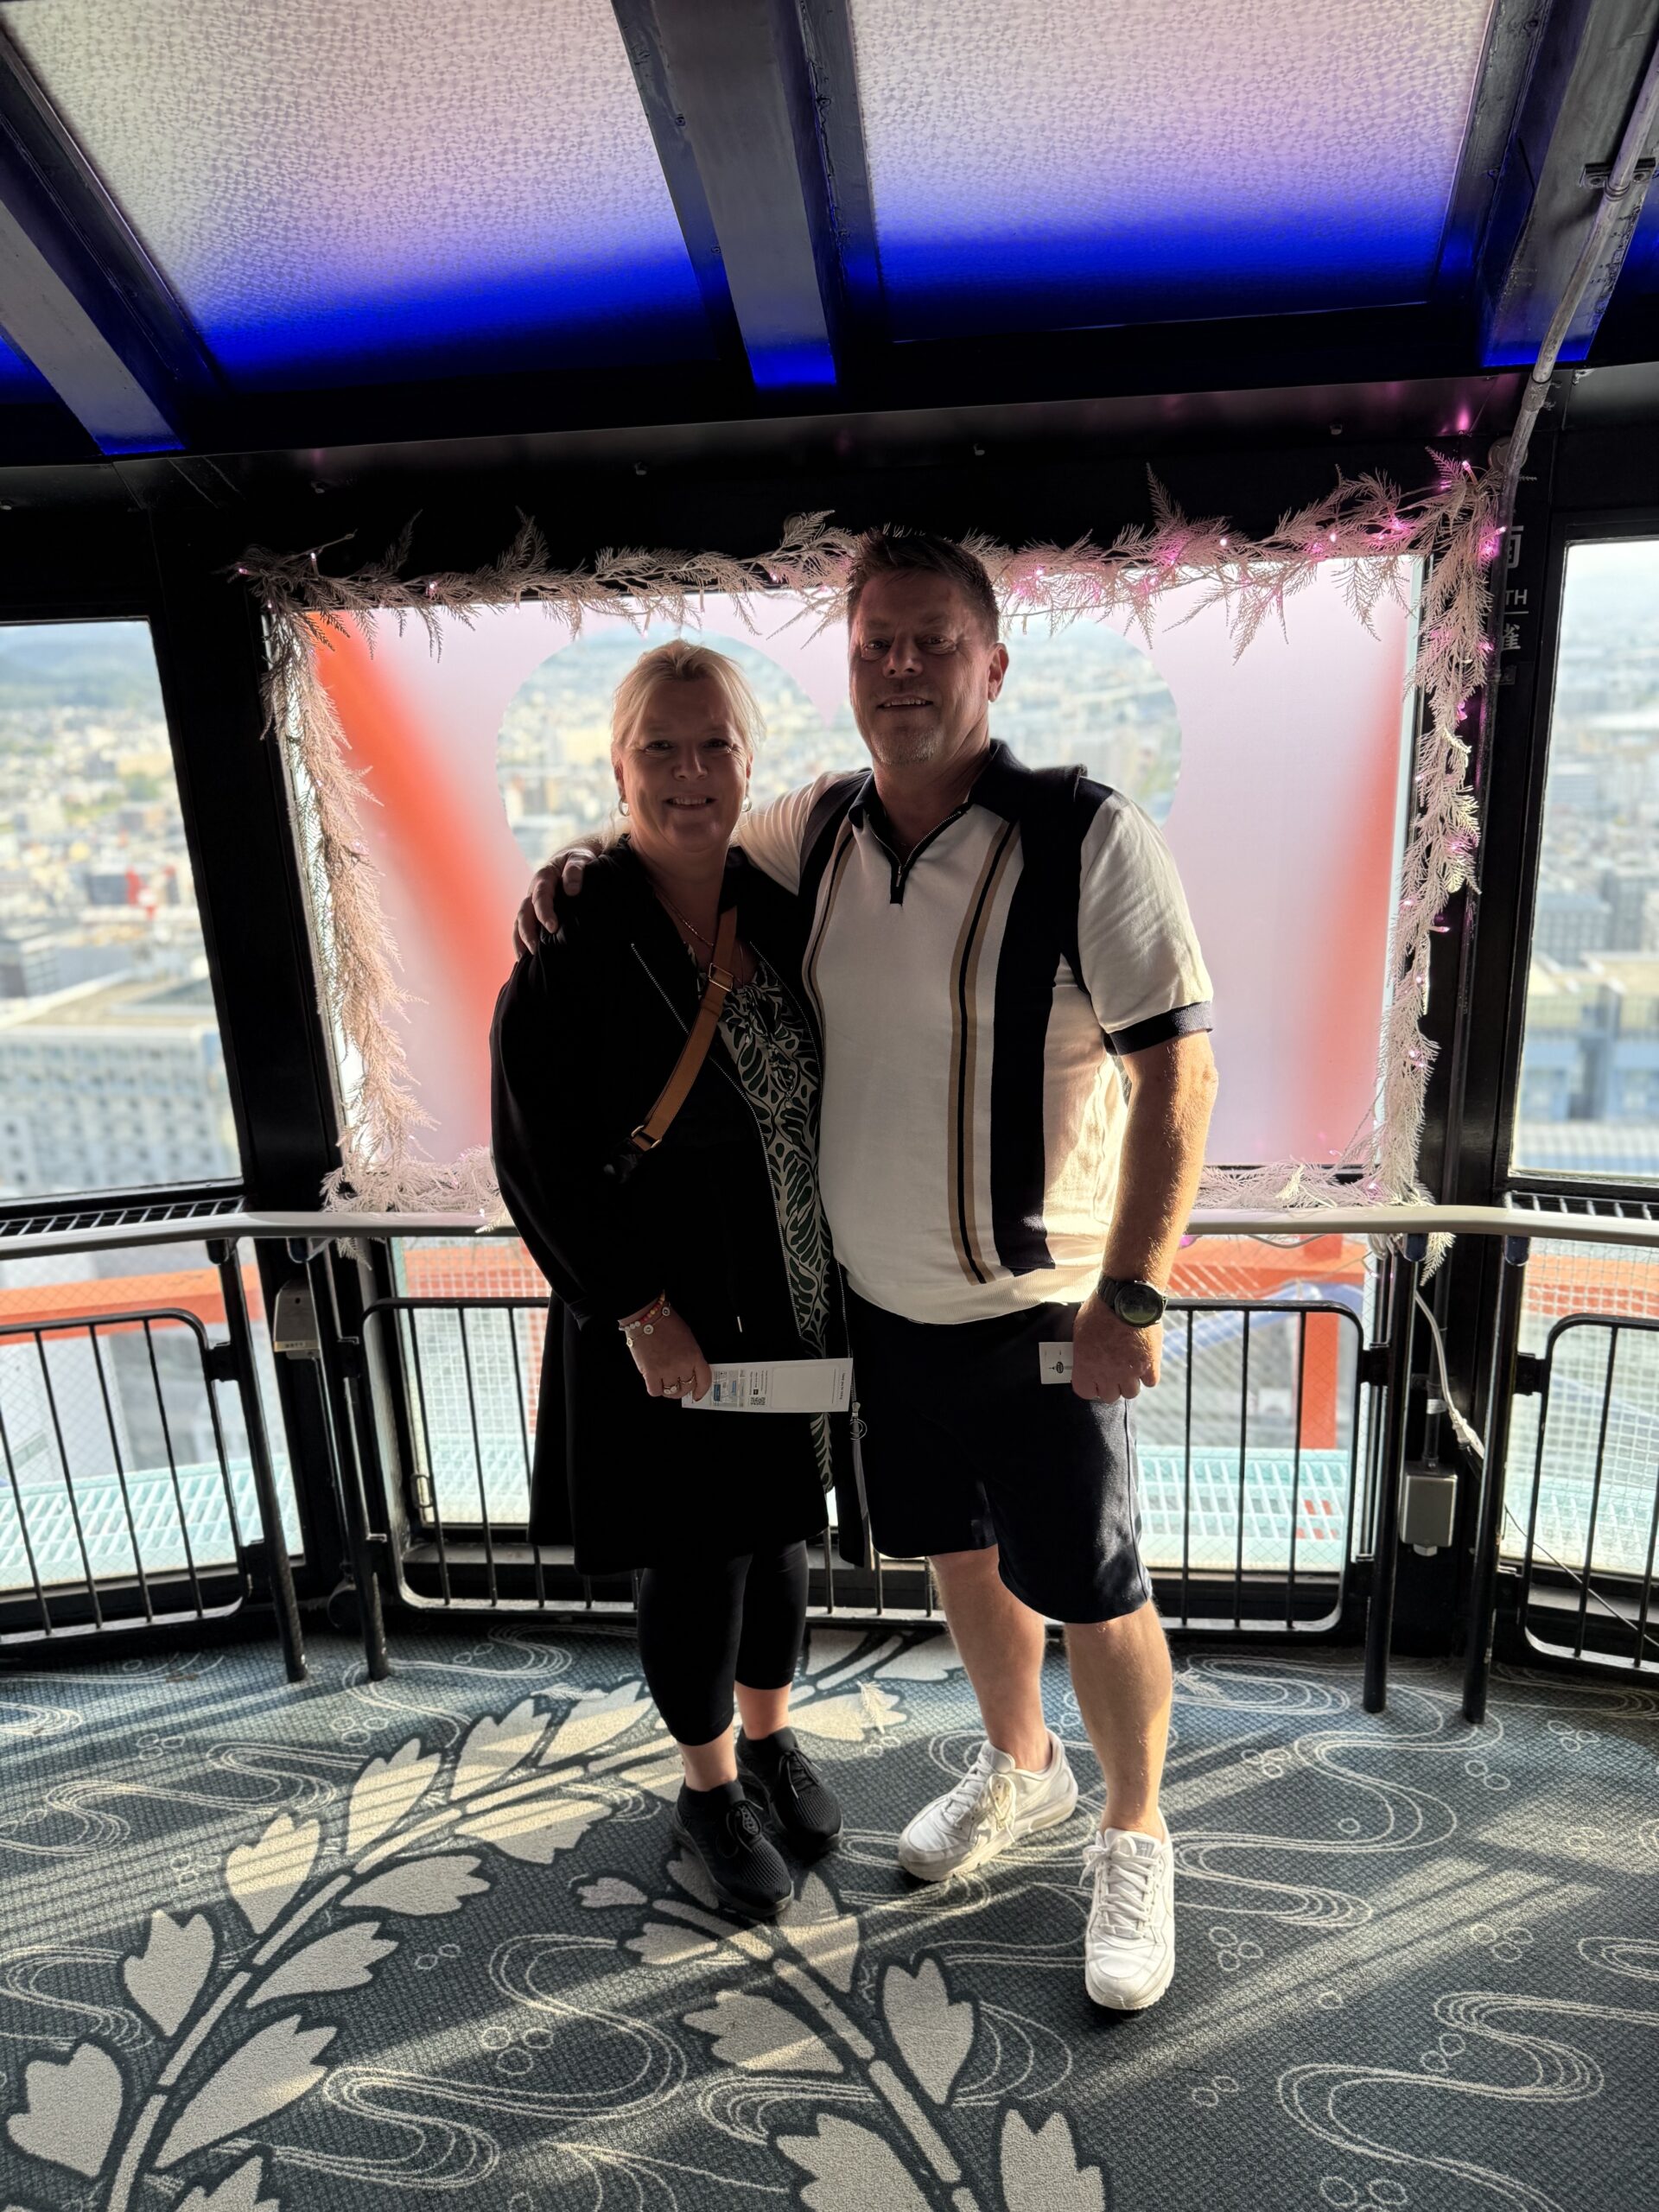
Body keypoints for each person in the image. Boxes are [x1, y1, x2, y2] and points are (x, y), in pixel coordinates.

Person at [519, 531, 1217, 2012]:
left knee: (1096, 1584)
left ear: (992, 664)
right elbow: (678, 835)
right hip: (882, 1316)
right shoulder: (817, 830)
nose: (901, 668)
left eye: (932, 642)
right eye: (874, 645)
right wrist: (575, 863)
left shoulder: (1085, 836)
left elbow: (1183, 1074)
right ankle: (1021, 1764)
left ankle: (1136, 1830)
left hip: (1041, 1307)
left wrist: (1134, 1291)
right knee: (962, 1556)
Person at [490, 639, 862, 1921]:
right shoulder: (576, 938)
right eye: (662, 746)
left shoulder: (784, 906)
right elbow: (535, 1158)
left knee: (782, 1538)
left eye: (716, 745)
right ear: (619, 766)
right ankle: (708, 1789)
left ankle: (769, 1739)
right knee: (695, 1562)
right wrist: (640, 1312)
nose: (690, 772)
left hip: (790, 1299)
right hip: (666, 1318)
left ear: (750, 764)